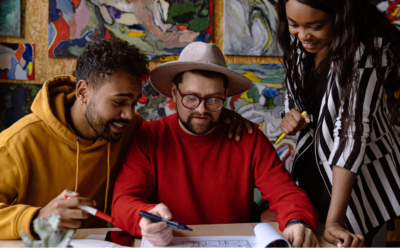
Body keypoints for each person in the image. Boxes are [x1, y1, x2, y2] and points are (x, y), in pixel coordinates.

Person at [0, 38, 250, 240]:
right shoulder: (18, 142)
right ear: (83, 92)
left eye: (134, 102)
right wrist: (35, 218)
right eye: (119, 102)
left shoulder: (132, 130)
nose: (130, 114)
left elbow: (181, 127)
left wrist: (221, 114)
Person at [112, 42, 320, 247]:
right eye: (191, 98)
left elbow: (286, 193)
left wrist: (297, 220)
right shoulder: (149, 137)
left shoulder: (249, 138)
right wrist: (144, 220)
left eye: (213, 99)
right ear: (174, 92)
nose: (202, 110)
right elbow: (123, 201)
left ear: (226, 94)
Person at [277, 0, 400, 247]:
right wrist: (291, 114)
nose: (302, 35)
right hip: (313, 162)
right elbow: (296, 94)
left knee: (341, 240)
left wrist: (334, 221)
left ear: (341, 16)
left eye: (315, 26)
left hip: (358, 174)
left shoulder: (368, 50)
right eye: (293, 24)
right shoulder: (299, 40)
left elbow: (352, 132)